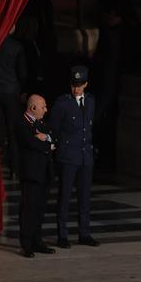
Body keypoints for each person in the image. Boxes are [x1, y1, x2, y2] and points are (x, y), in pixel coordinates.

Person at [50, 65, 99, 248]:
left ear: (86, 84)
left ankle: (84, 233)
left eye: (79, 84)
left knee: (85, 197)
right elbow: (54, 128)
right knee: (65, 196)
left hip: (85, 156)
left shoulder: (91, 101)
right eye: (73, 84)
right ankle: (62, 234)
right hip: (69, 156)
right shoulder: (62, 103)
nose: (75, 88)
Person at [14, 94, 56, 257]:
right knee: (28, 209)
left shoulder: (42, 124)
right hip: (31, 173)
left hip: (44, 172)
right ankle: (27, 243)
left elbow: (54, 140)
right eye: (43, 107)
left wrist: (46, 139)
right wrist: (47, 145)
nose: (46, 110)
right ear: (33, 108)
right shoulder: (21, 123)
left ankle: (37, 240)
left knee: (40, 209)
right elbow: (31, 143)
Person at [0, 25, 28, 176]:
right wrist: (24, 90)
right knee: (13, 131)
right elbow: (22, 72)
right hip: (12, 91)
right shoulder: (16, 47)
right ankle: (14, 167)